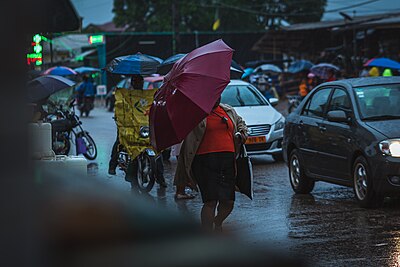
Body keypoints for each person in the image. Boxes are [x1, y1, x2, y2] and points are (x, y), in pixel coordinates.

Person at [175, 98, 248, 231]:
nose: (216, 97)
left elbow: (241, 123)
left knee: (228, 201)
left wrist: (242, 133)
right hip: (204, 161)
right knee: (210, 201)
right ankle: (207, 236)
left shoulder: (227, 110)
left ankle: (218, 221)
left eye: (218, 94)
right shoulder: (195, 113)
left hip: (227, 160)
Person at [108, 74, 167, 188]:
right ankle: (112, 165)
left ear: (142, 82)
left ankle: (160, 177)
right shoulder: (126, 95)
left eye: (139, 81)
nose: (137, 83)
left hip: (143, 127)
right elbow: (119, 108)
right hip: (129, 126)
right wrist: (119, 117)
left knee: (157, 150)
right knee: (119, 141)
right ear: (132, 82)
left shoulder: (148, 96)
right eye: (135, 81)